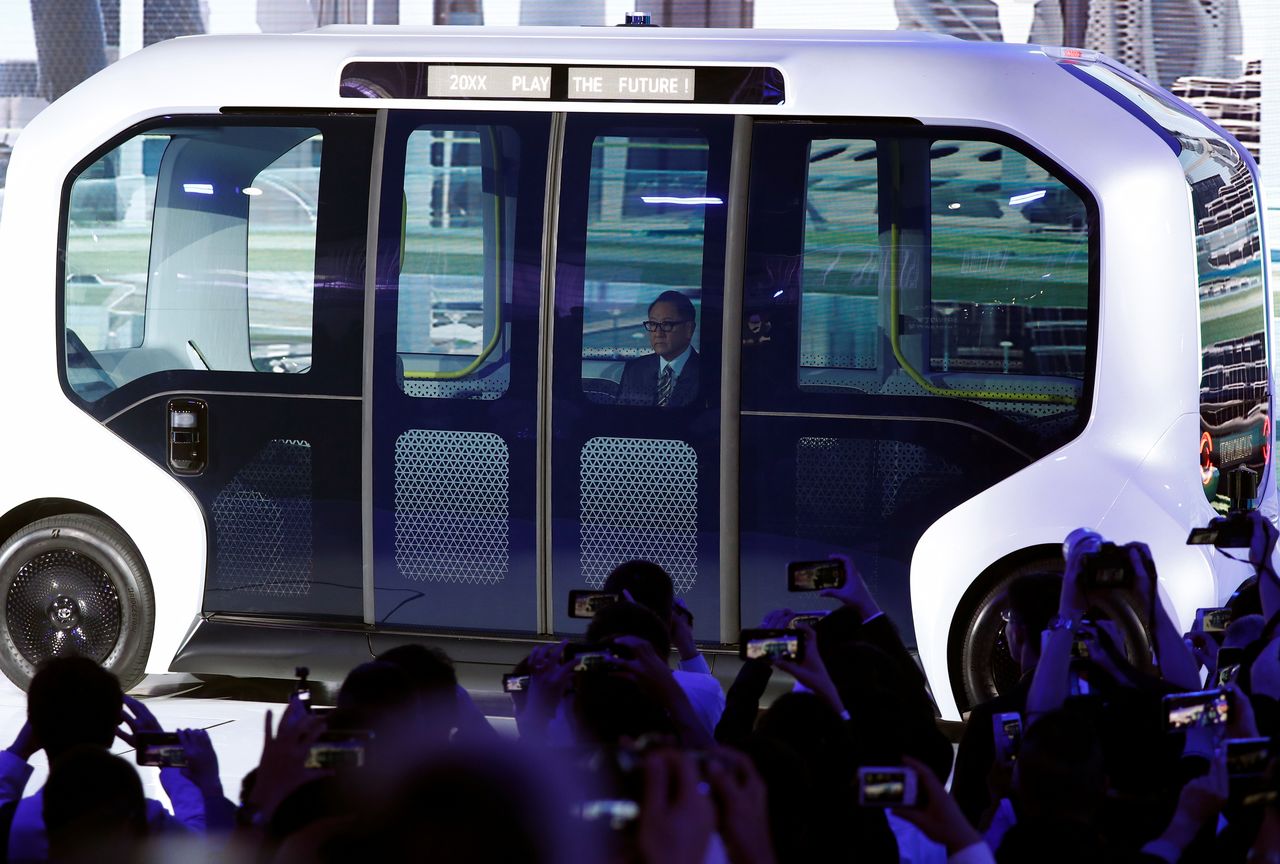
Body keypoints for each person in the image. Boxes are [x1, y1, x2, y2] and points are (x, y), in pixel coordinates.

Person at [0, 657, 230, 862]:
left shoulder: (17, 825)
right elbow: (207, 846)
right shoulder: (145, 823)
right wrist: (166, 755)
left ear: (34, 728)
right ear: (115, 727)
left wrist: (19, 749)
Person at [617, 290, 701, 408]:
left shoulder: (708, 374)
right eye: (653, 324)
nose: (658, 333)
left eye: (667, 324)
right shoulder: (635, 369)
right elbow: (620, 417)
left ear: (689, 329)